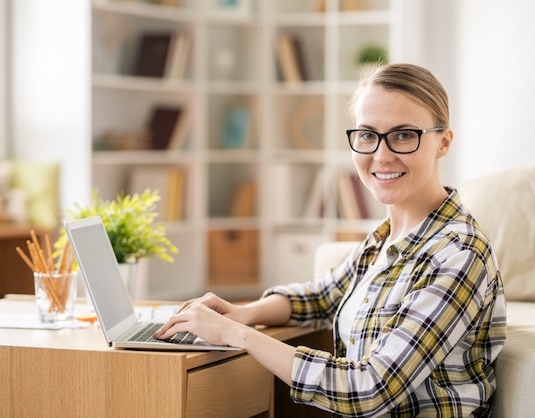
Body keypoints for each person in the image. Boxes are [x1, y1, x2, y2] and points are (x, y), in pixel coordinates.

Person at [155, 63, 507, 417]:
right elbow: (324, 296)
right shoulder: (384, 239)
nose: (382, 155)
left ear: (443, 142)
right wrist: (245, 312)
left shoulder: (458, 254)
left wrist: (236, 334)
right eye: (368, 135)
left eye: (403, 135)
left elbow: (371, 389)